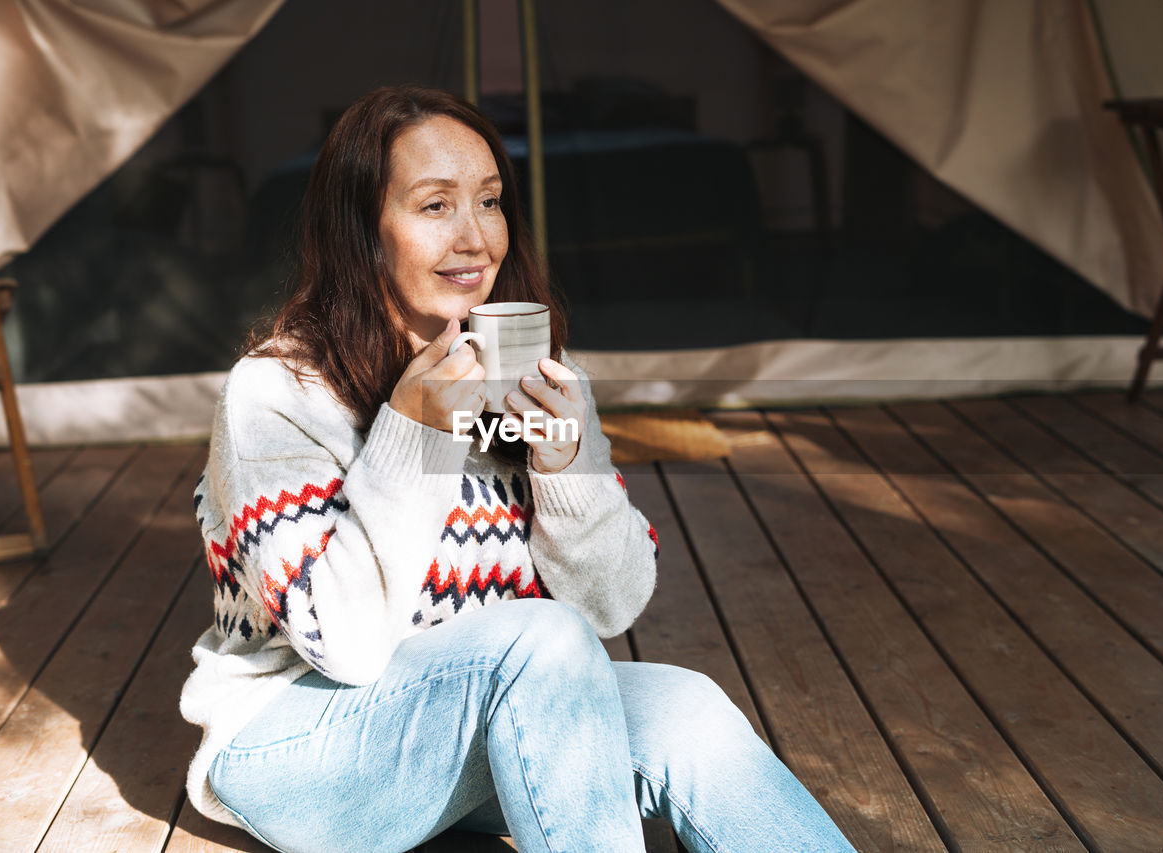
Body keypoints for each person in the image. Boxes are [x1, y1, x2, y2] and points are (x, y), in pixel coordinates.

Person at [179, 85, 855, 853]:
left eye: (491, 202)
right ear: (362, 231)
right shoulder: (275, 392)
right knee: (540, 636)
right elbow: (346, 643)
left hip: (473, 723)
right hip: (299, 747)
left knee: (688, 708)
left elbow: (611, 603)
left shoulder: (534, 375)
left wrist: (567, 463)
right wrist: (415, 433)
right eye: (435, 206)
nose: (475, 239)